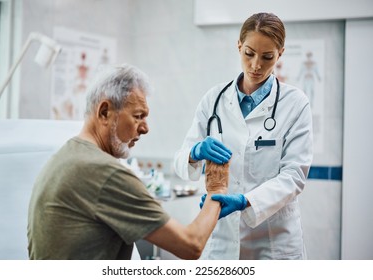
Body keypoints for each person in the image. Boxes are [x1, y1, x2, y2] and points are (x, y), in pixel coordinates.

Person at [27, 64, 228, 260]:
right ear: (104, 112)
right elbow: (191, 246)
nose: (145, 129)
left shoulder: (64, 156)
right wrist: (217, 190)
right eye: (138, 116)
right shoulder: (103, 172)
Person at [174, 12, 313, 260]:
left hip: (273, 243)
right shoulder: (213, 100)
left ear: (280, 54)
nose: (256, 65)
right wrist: (195, 153)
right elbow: (180, 161)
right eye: (249, 53)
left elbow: (294, 176)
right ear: (239, 46)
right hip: (222, 242)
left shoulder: (296, 104)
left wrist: (245, 201)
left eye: (267, 57)